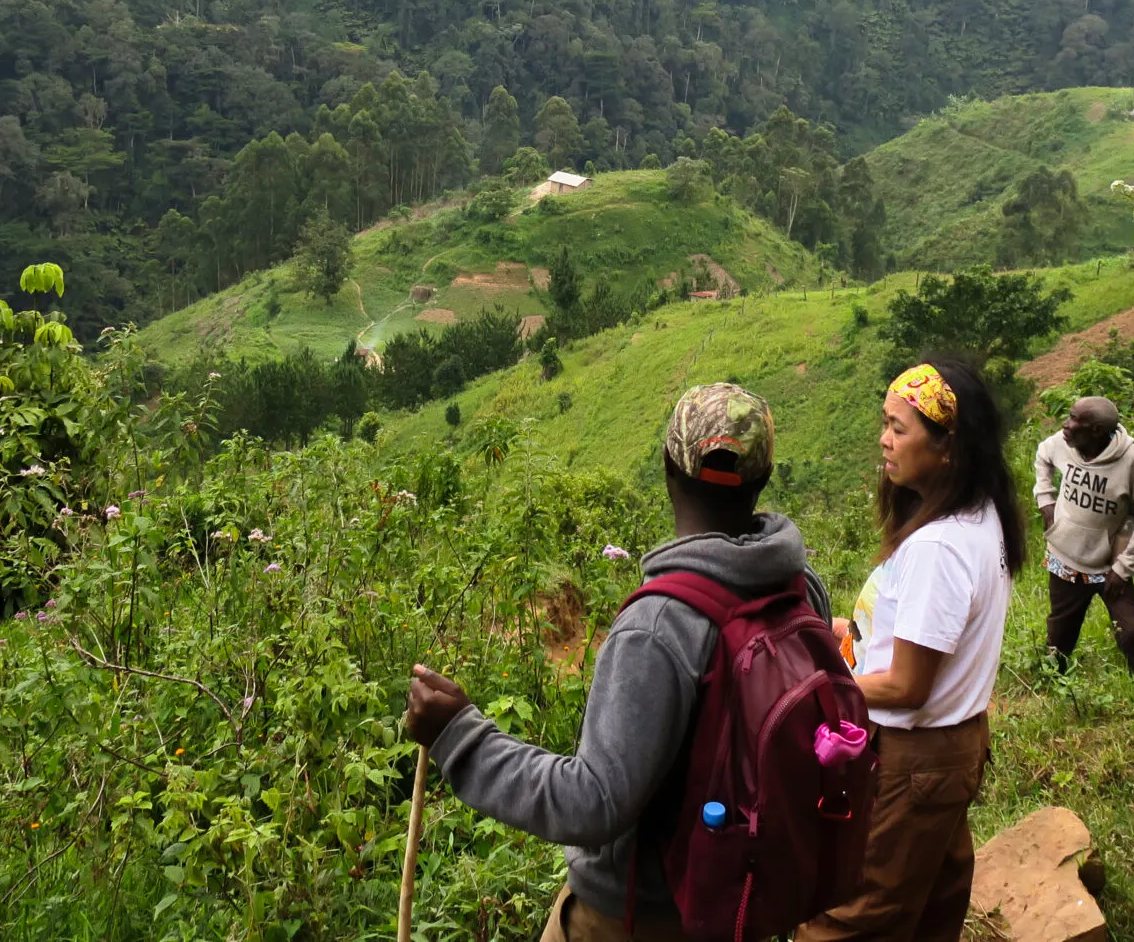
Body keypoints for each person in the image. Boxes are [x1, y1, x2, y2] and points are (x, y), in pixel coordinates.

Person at [403, 383, 831, 942]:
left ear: (667, 469)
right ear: (765, 479)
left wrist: (460, 737)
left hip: (638, 915)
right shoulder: (803, 591)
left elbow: (594, 802)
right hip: (739, 900)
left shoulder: (660, 626)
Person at [800, 357, 1026, 942]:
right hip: (954, 747)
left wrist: (820, 686)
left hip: (915, 758)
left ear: (948, 446)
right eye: (885, 422)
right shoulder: (981, 517)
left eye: (900, 429)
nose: (884, 439)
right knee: (932, 906)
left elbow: (907, 686)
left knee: (853, 914)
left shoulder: (939, 547)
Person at [1032, 393, 1134, 677]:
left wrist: (1123, 568)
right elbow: (1043, 454)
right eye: (1069, 415)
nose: (1066, 424)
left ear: (1097, 431)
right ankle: (1055, 684)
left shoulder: (1130, 460)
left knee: (1130, 633)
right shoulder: (1064, 443)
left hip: (1109, 567)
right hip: (1065, 558)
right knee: (1060, 635)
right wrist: (1046, 502)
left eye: (1075, 419)